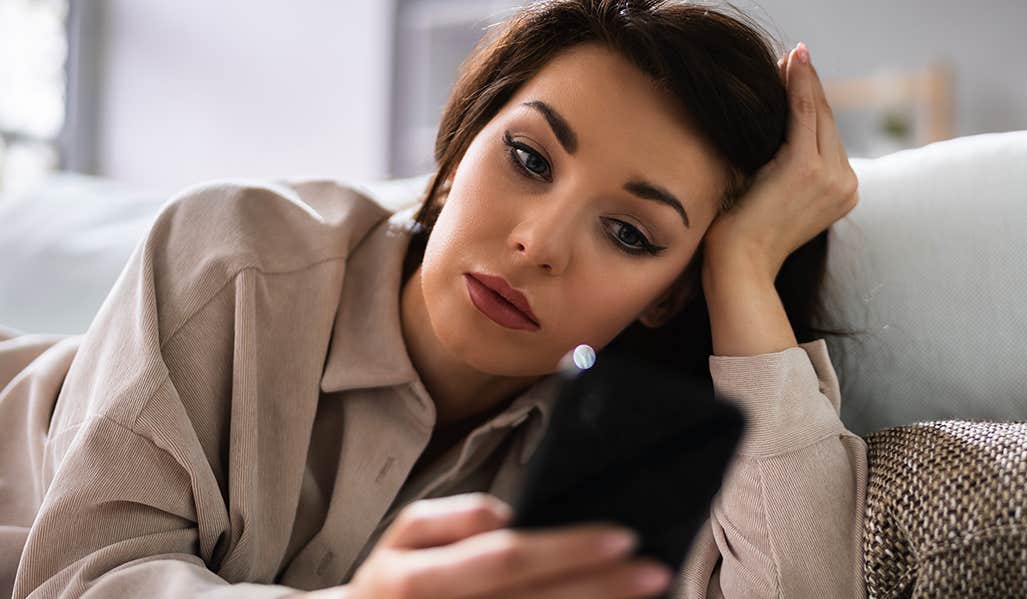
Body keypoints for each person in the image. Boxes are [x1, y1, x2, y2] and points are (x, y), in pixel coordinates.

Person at [0, 0, 865, 597]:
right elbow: (77, 579)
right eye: (528, 158)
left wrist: (743, 266)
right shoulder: (234, 255)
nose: (537, 243)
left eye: (630, 233)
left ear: (668, 297)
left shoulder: (610, 458)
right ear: (456, 153)